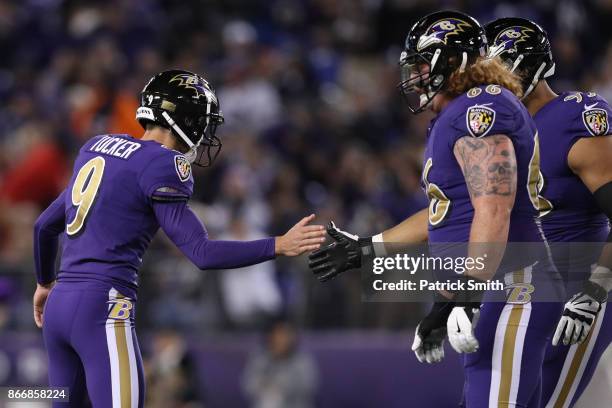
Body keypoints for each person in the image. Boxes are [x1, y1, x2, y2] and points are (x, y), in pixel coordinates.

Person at [309, 10, 564, 406]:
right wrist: (370, 249)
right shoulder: (459, 115)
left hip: (514, 287)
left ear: (452, 61)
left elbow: (494, 207)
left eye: (424, 63)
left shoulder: (476, 111)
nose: (417, 75)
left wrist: (468, 291)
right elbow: (446, 216)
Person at [32, 69, 326, 407]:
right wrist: (278, 245)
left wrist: (44, 283)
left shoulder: (96, 146)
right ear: (186, 120)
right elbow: (202, 252)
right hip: (102, 307)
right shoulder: (164, 164)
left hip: (59, 306)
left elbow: (44, 226)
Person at [486, 18, 612, 407]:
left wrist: (595, 288)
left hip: (579, 290)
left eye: (493, 72)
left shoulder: (573, 119)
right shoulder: (497, 134)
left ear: (525, 68)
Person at [242, 318, 318, 408]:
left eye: (287, 335)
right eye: (278, 335)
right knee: (268, 401)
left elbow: (309, 386)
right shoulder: (259, 358)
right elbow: (248, 385)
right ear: (270, 336)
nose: (282, 339)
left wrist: (282, 386)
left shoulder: (303, 360)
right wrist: (265, 386)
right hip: (266, 403)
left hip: (295, 404)